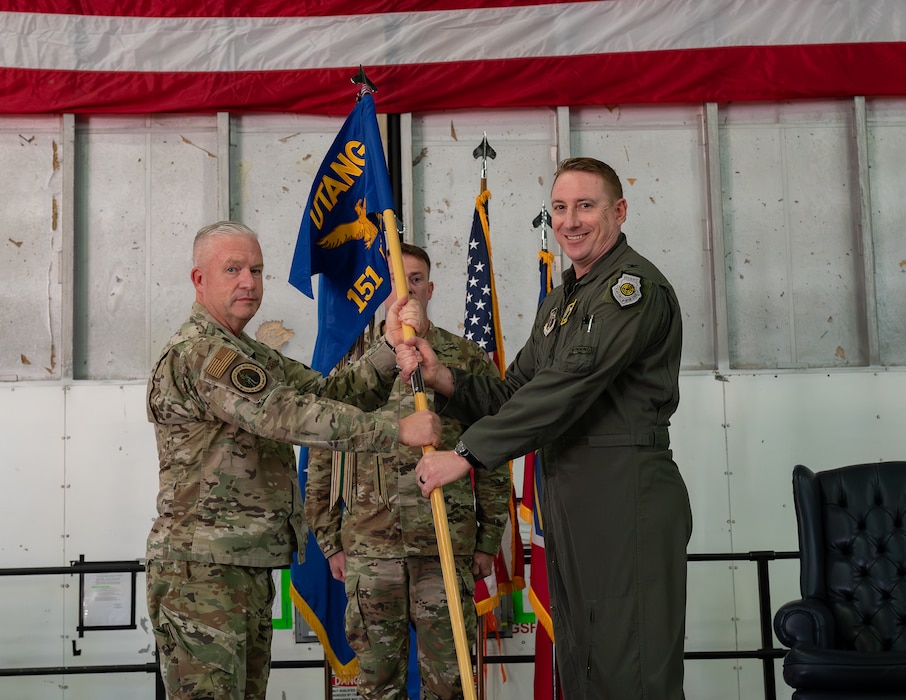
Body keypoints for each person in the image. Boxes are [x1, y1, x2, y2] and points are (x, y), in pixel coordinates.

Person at [404, 158, 693, 700]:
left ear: (619, 211)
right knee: (583, 664)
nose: (570, 221)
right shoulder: (561, 303)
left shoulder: (631, 292)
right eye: (560, 208)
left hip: (623, 491)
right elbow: (512, 394)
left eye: (586, 206)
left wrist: (464, 455)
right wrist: (443, 376)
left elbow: (565, 389)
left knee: (628, 669)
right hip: (571, 494)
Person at [145, 221, 441, 700]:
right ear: (200, 280)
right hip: (201, 569)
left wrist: (388, 348)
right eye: (233, 269)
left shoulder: (252, 354)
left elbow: (330, 393)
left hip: (244, 562)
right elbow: (282, 414)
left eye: (257, 270)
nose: (249, 281)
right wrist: (395, 431)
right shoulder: (202, 353)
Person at [305, 243, 511, 699]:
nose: (406, 289)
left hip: (444, 545)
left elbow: (494, 453)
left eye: (415, 280)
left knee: (451, 682)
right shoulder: (353, 365)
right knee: (378, 684)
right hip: (369, 549)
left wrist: (487, 538)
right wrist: (328, 540)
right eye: (396, 280)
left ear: (430, 289)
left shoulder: (465, 358)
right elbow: (323, 452)